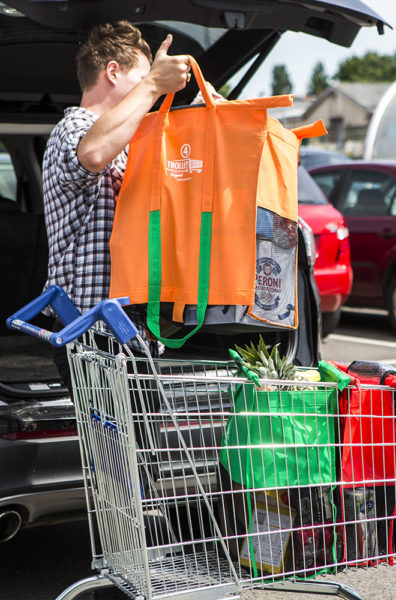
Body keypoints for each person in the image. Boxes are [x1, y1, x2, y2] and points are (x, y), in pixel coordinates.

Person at [42, 21, 209, 386]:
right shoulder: (74, 127)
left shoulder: (134, 142)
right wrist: (153, 86)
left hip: (133, 335)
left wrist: (202, 116)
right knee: (118, 446)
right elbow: (94, 151)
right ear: (113, 72)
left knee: (137, 446)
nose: (150, 85)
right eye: (143, 75)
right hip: (90, 334)